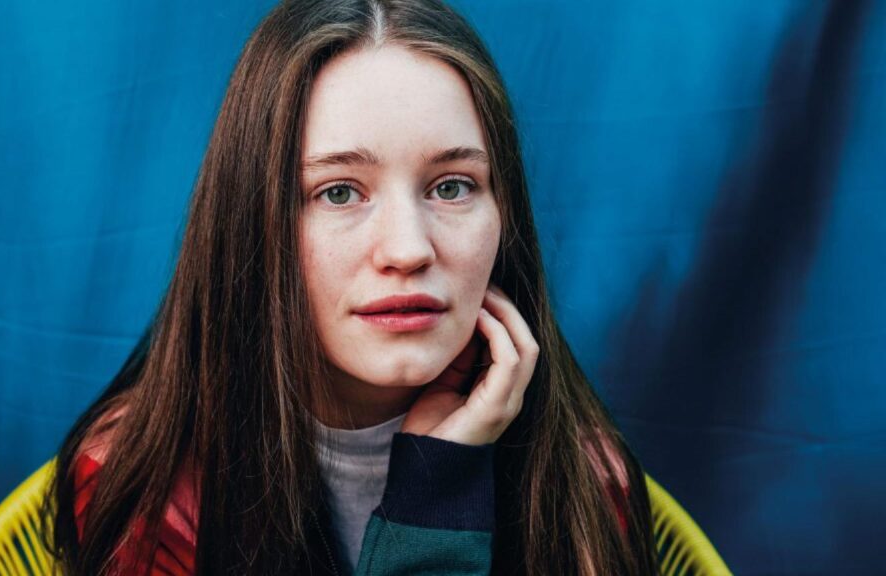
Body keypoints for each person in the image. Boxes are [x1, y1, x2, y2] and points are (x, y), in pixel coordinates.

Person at [40, 0, 660, 574]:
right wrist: (430, 511)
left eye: (452, 186)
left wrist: (440, 484)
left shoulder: (584, 485)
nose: (408, 250)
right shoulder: (145, 485)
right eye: (338, 192)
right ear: (253, 224)